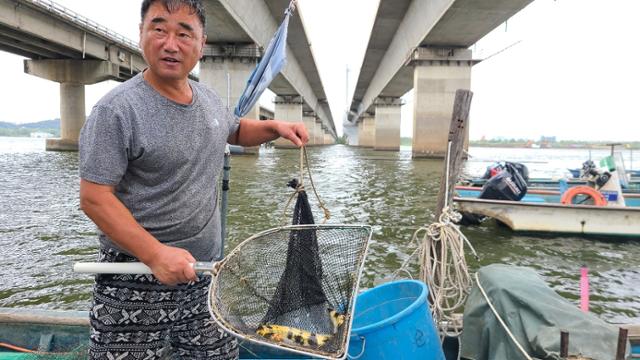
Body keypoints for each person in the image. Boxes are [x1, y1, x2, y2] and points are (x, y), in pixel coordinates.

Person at [78, 0, 308, 358]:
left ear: (201, 44)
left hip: (202, 274)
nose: (171, 44)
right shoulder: (116, 111)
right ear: (141, 35)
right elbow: (95, 198)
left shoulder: (209, 99)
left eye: (184, 33)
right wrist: (155, 254)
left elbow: (233, 130)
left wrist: (273, 127)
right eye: (159, 29)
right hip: (134, 274)